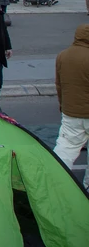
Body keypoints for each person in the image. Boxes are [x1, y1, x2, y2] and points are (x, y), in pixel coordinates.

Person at [52, 24, 89, 192]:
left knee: (66, 147)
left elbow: (59, 84)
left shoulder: (63, 56)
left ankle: (56, 180)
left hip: (71, 112)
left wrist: (63, 105)